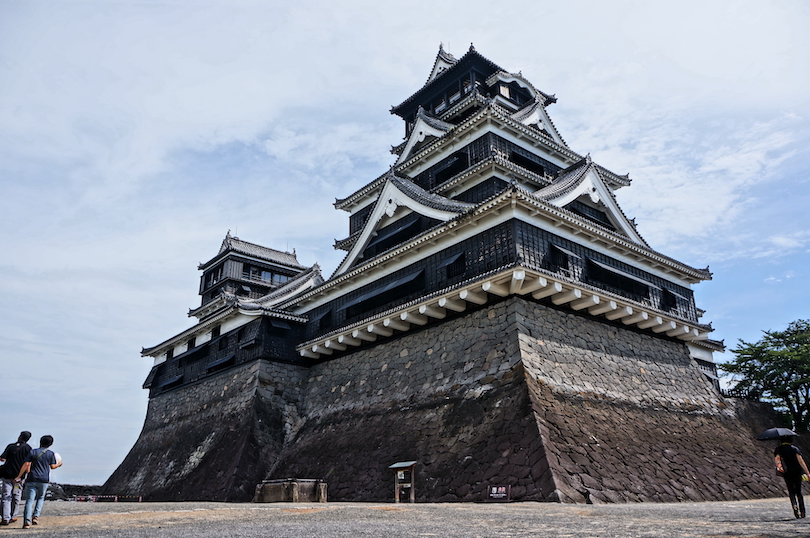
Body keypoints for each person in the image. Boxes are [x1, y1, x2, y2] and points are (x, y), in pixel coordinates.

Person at [16, 435, 61, 529]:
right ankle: (36, 516)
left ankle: (26, 522)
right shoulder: (51, 453)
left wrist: (19, 476)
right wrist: (59, 464)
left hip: (32, 478)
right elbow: (52, 466)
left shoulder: (33, 452)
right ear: (50, 444)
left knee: (29, 500)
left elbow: (26, 464)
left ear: (40, 441)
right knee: (40, 498)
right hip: (44, 479)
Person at [0, 431, 32, 526]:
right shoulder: (28, 448)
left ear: (20, 437)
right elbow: (28, 463)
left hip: (7, 475)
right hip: (19, 477)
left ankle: (5, 518)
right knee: (16, 496)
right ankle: (13, 516)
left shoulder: (11, 446)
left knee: (6, 496)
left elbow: (2, 459)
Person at [774, 435, 810, 519]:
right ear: (790, 440)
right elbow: (801, 461)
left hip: (787, 473)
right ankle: (802, 511)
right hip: (797, 472)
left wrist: (779, 468)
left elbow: (777, 461)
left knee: (791, 491)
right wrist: (808, 473)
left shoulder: (778, 449)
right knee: (799, 492)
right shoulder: (794, 449)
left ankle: (794, 505)